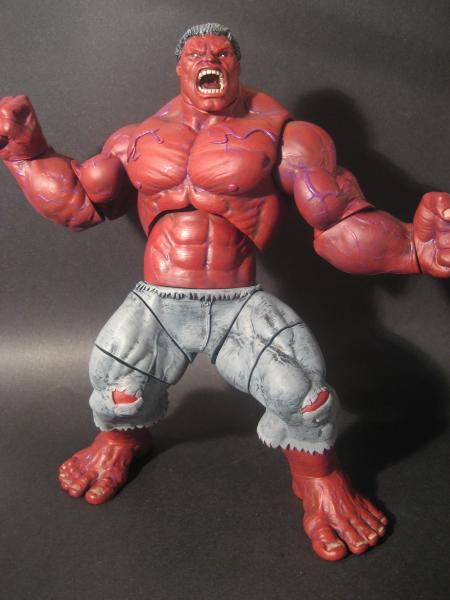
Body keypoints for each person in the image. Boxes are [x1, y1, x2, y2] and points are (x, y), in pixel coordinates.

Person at [0, 23, 448, 561]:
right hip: (158, 301)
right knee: (114, 383)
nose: (209, 58)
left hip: (238, 305)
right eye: (196, 53)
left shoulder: (285, 135)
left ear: (236, 65)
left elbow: (337, 222)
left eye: (222, 52)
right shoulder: (136, 139)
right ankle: (124, 438)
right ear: (180, 68)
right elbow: (80, 204)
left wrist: (412, 248)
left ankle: (317, 476)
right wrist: (26, 153)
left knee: (302, 393)